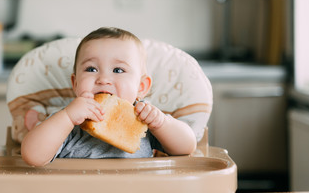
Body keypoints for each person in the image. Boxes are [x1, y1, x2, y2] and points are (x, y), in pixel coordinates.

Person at [21, 27, 196, 166]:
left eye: (118, 70)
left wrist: (162, 123)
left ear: (141, 87)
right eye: (91, 69)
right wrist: (67, 117)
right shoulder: (67, 122)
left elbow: (186, 148)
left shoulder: (144, 120)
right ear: (75, 84)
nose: (103, 79)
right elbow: (32, 156)